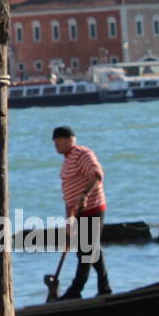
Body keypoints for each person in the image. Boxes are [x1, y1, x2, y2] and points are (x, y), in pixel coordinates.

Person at [52, 126, 112, 299]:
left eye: (58, 140)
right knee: (89, 250)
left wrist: (84, 194)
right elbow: (68, 194)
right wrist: (68, 220)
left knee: (86, 251)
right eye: (54, 142)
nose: (55, 144)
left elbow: (97, 174)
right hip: (77, 213)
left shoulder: (82, 154)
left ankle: (75, 290)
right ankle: (104, 287)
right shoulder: (67, 160)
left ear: (69, 139)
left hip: (92, 207)